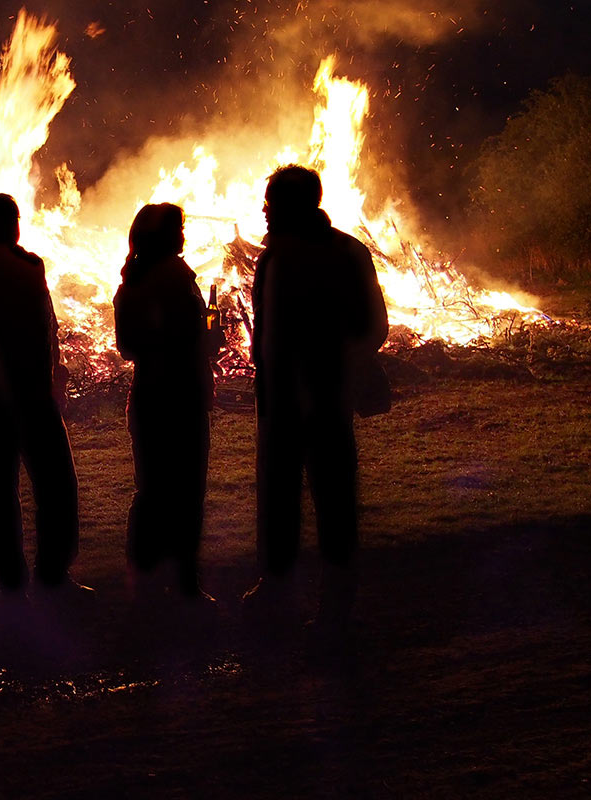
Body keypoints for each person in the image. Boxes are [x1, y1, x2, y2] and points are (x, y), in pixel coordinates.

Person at [248, 164, 388, 632]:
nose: (264, 211)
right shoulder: (324, 252)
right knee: (286, 494)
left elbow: (372, 327)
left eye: (271, 202)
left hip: (318, 398)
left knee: (325, 496)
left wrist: (333, 366)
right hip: (289, 398)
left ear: (292, 205)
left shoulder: (332, 254)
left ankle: (333, 601)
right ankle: (283, 586)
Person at [0, 193, 83, 595]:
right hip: (23, 401)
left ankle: (18, 582)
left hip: (10, 403)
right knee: (51, 488)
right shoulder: (9, 274)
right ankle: (44, 576)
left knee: (8, 495)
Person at [113, 203, 220, 601]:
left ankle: (144, 581)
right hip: (180, 396)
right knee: (186, 493)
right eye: (179, 228)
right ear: (165, 236)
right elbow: (184, 338)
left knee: (153, 491)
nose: (184, 235)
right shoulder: (175, 279)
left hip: (148, 397)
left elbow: (127, 346)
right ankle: (185, 584)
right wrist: (204, 340)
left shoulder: (131, 283)